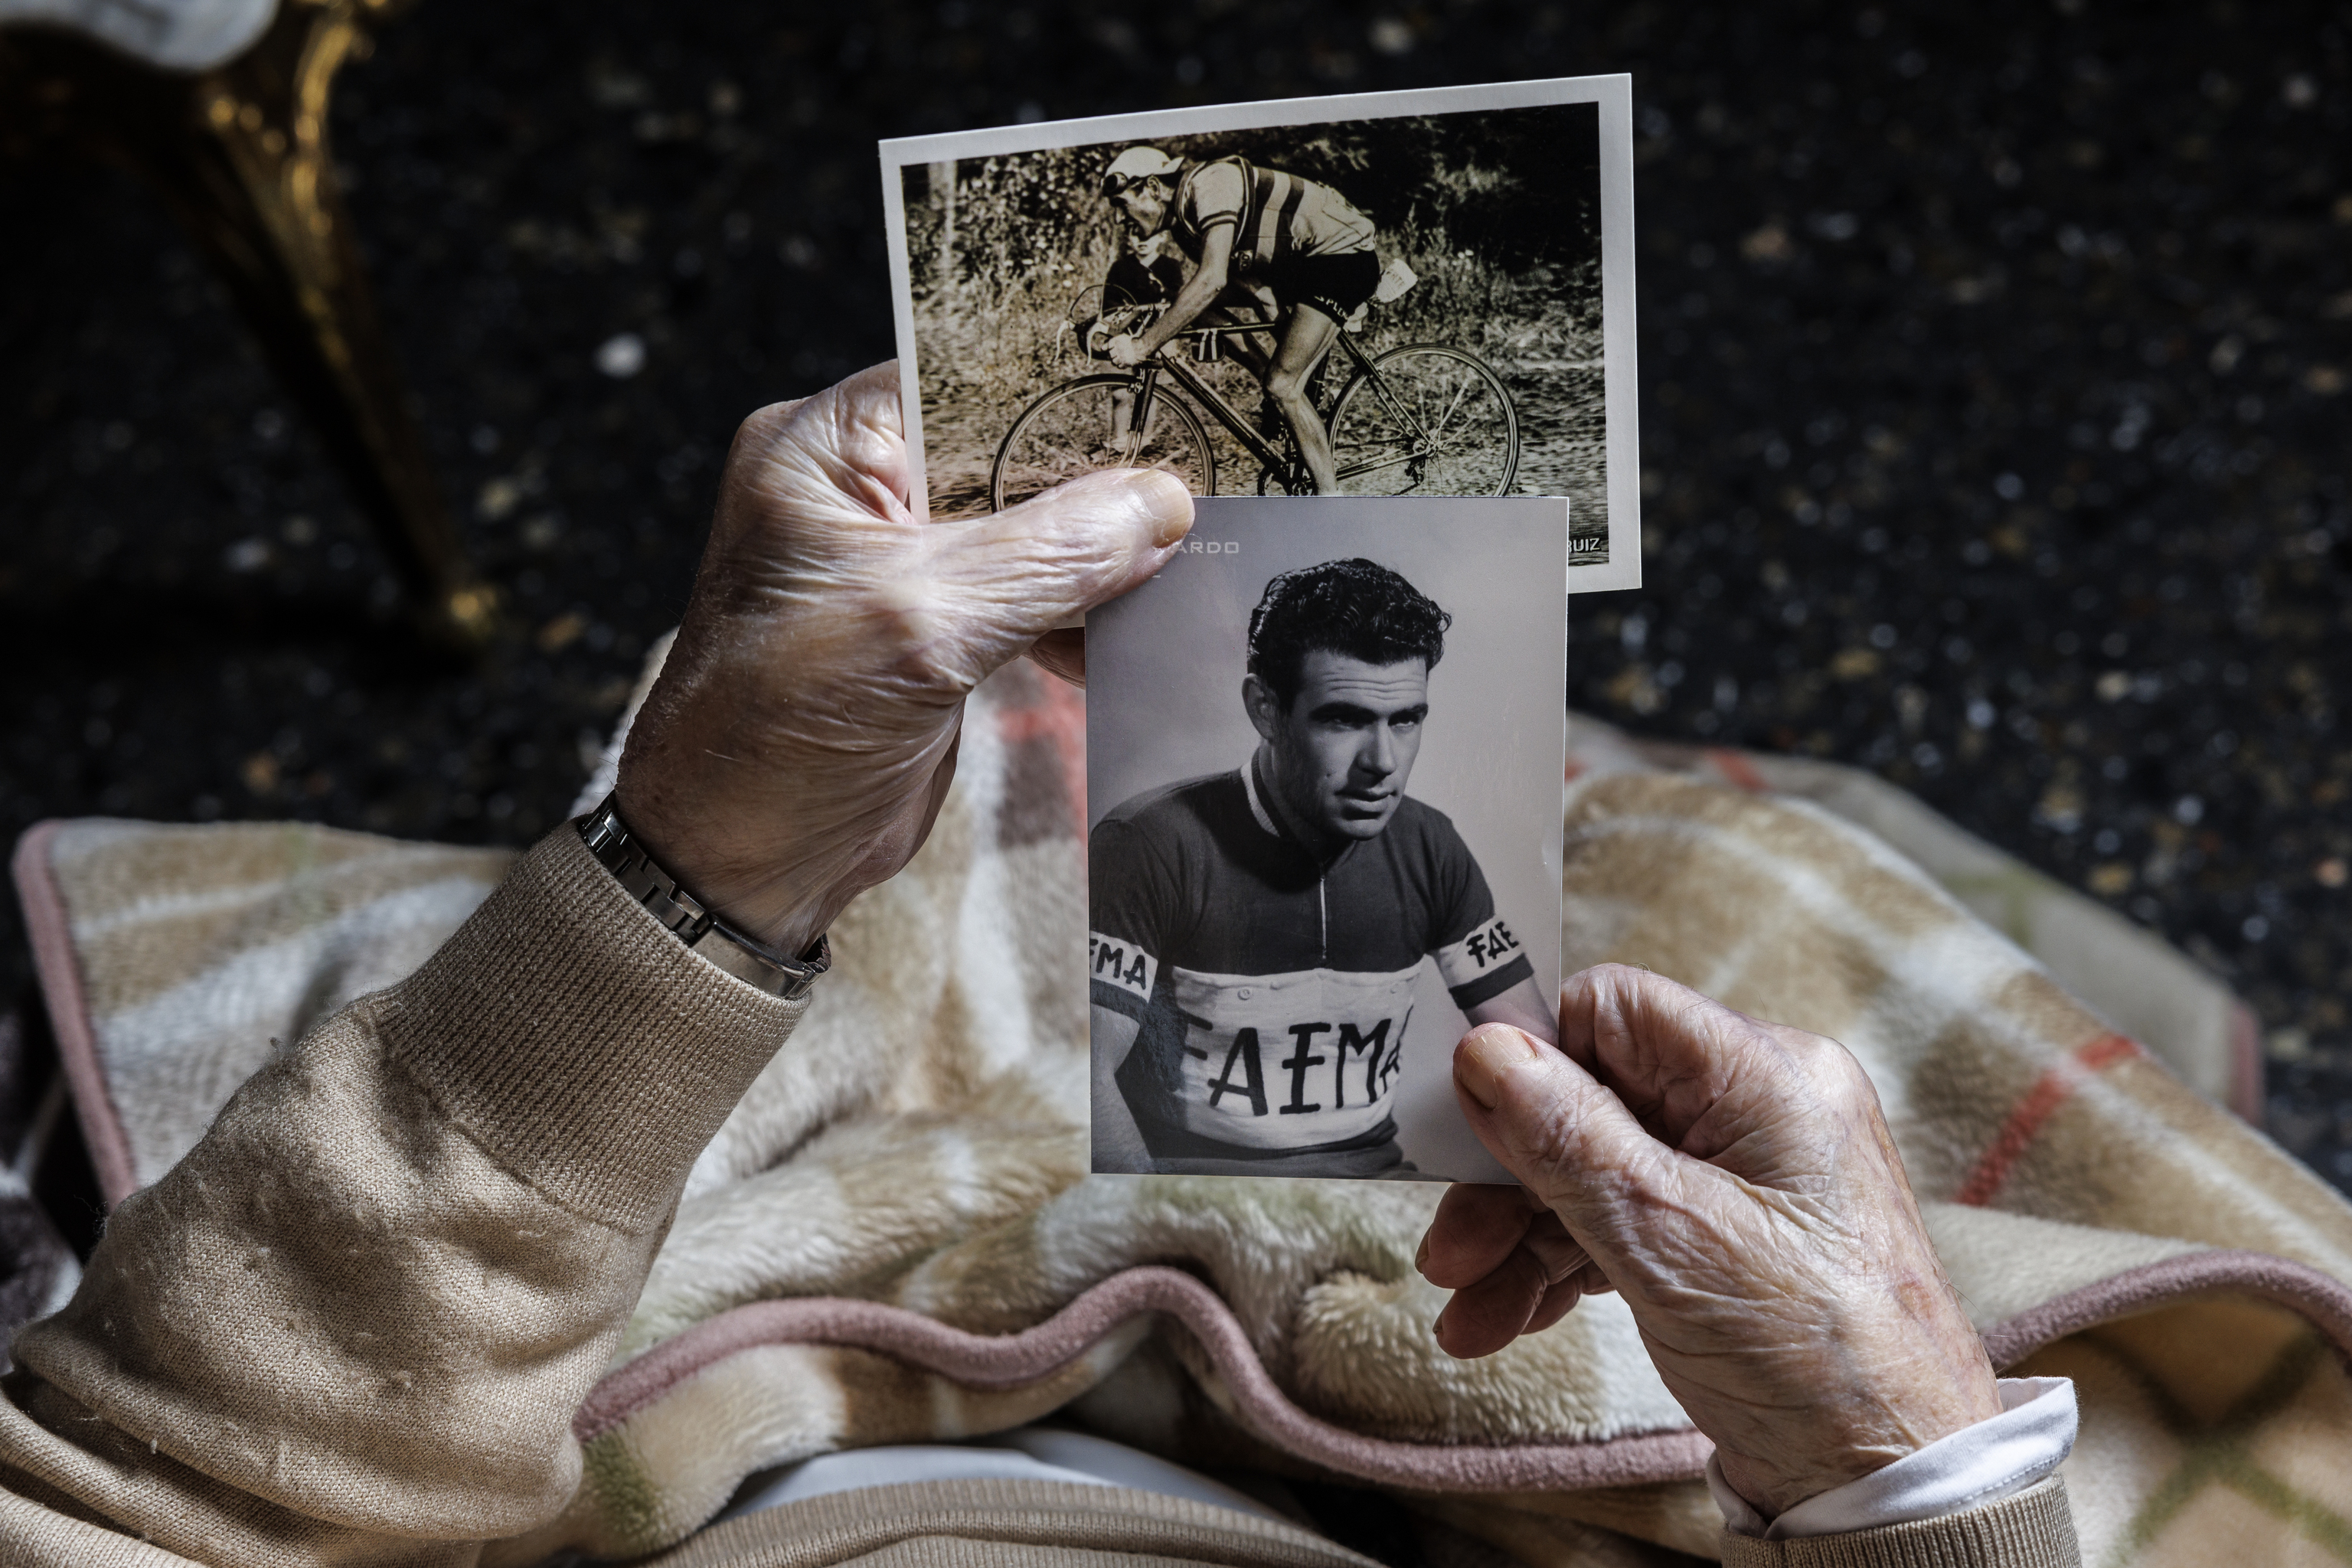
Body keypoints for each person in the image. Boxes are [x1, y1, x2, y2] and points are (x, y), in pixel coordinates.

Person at [0, 366, 2079, 1565]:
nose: (1369, 766)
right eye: (1334, 722)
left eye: (1394, 723)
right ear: (1269, 715)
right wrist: (1915, 1456)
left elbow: (148, 1508)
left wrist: (688, 873)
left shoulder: (1416, 840)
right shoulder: (1202, 840)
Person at [1087, 557, 1555, 1177]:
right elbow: (1084, 1076)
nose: (1382, 762)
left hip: (1379, 1190)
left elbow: (1542, 1063)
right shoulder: (1148, 843)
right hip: (1202, 1201)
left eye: (1406, 719)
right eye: (1344, 719)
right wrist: (1146, 1218)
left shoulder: (1430, 845)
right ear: (1265, 709)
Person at [1097, 145, 1381, 495]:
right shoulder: (1184, 227)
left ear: (1153, 188)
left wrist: (1143, 345)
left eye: (1121, 204)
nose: (1119, 219)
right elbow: (1255, 292)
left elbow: (1212, 280)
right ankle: (1277, 385)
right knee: (1201, 317)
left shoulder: (1209, 184)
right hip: (1301, 264)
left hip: (1341, 258)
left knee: (1282, 385)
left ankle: (1330, 503)